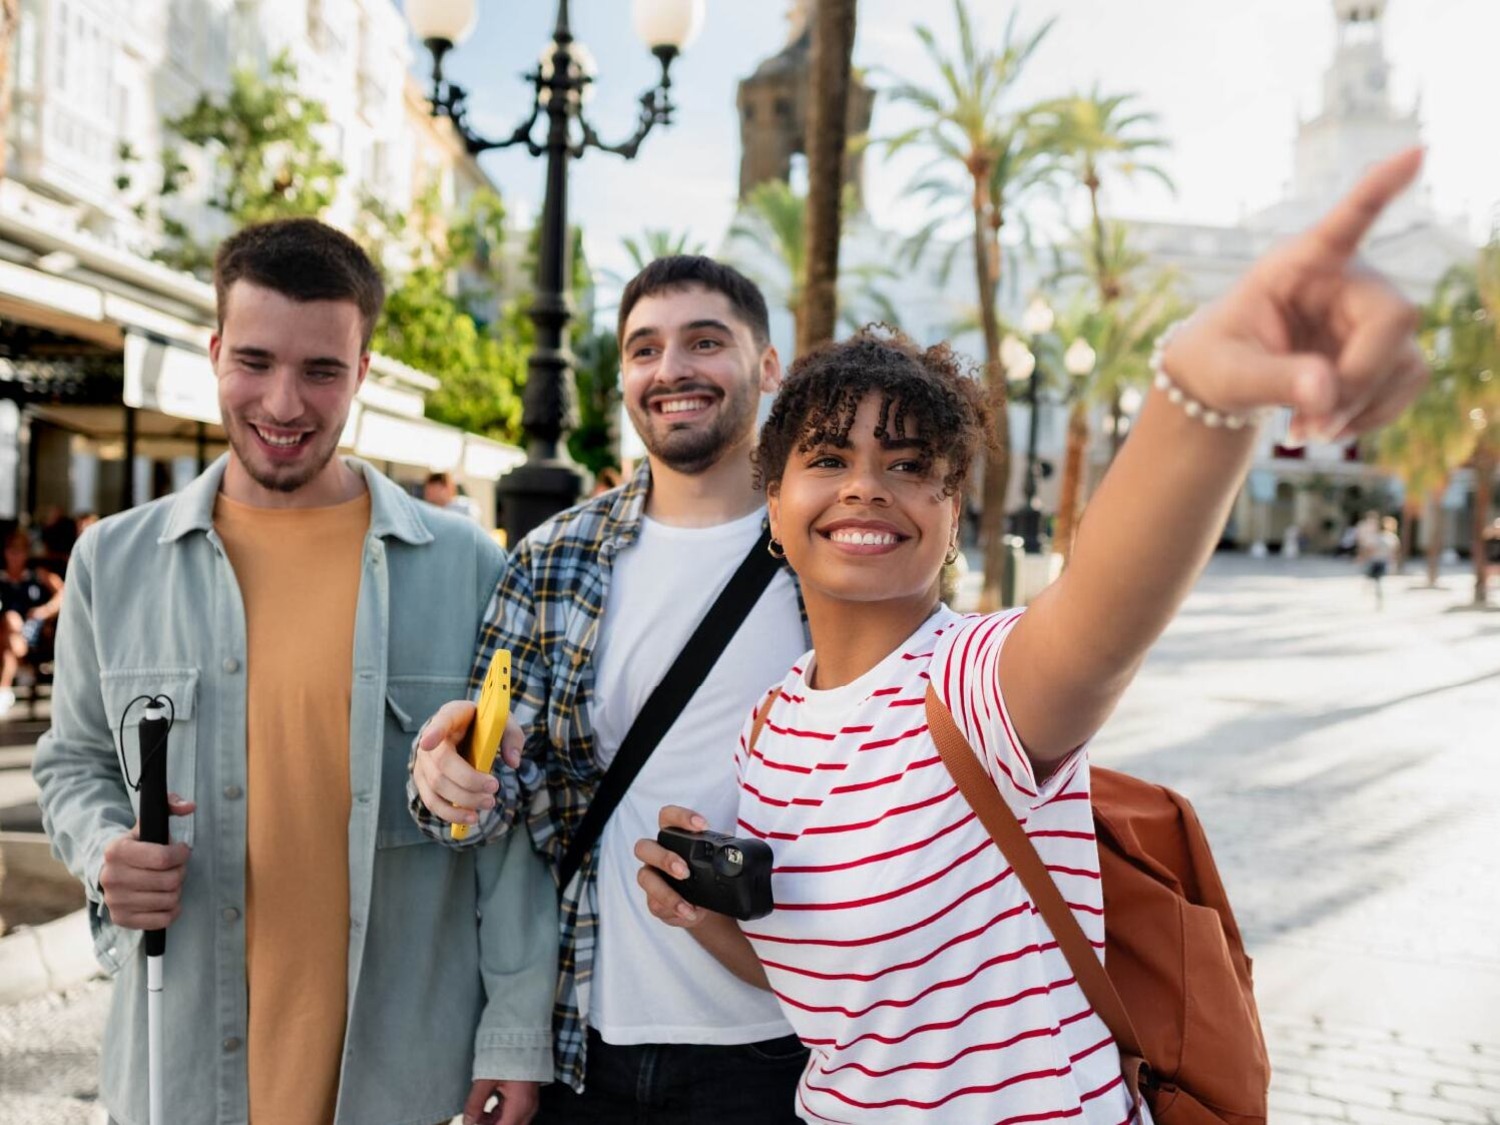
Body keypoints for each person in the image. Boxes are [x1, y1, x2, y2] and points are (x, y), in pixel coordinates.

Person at [626, 149, 1429, 1123]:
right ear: (779, 509)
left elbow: (1105, 610)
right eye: (827, 457)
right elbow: (828, 991)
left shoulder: (977, 682)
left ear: (954, 514)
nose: (866, 486)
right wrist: (695, 905)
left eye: (909, 463)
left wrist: (1205, 396)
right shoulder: (772, 727)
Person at [32, 217, 555, 1125]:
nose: (283, 402)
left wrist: (514, 1031)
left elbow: (506, 825)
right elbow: (71, 760)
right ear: (215, 351)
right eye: (255, 360)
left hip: (403, 1082)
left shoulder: (468, 565)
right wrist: (101, 849)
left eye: (321, 370)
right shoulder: (110, 564)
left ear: (362, 370)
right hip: (177, 1075)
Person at [409, 256, 811, 1123]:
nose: (671, 370)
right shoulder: (553, 558)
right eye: (644, 349)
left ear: (769, 366)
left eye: (706, 342)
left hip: (785, 1046)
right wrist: (446, 780)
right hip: (588, 1041)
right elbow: (495, 794)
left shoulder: (831, 553)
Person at [0, 528, 63, 717]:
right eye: (12, 551)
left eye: (19, 551)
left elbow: (64, 593)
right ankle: (14, 675)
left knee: (11, 627)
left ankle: (5, 688)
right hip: (6, 635)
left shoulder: (37, 575)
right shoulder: (2, 578)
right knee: (9, 629)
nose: (15, 556)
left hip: (31, 632)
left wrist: (44, 611)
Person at [1360, 514, 1401, 608]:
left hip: (1377, 561)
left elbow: (1370, 549)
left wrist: (1365, 557)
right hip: (1381, 561)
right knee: (1376, 580)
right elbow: (1394, 553)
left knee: (1374, 579)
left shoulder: (1380, 537)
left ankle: (1375, 596)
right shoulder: (1391, 538)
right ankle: (1375, 595)